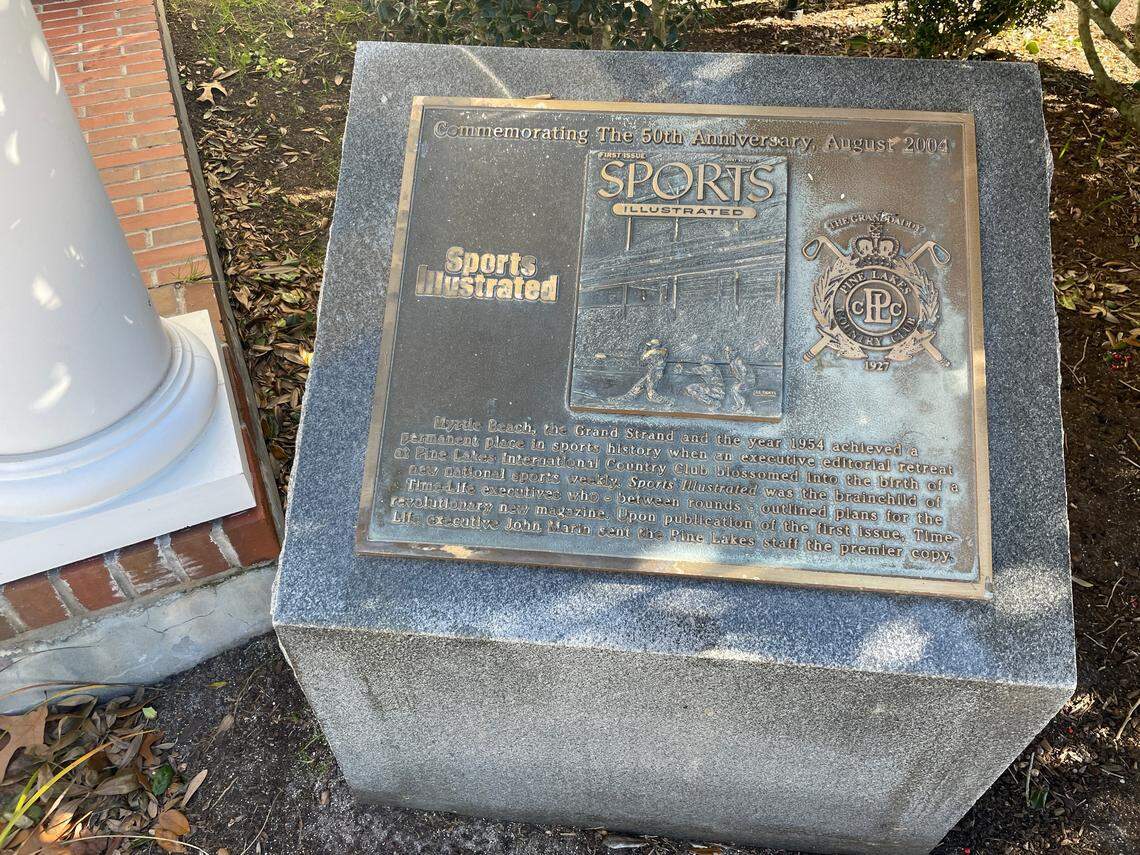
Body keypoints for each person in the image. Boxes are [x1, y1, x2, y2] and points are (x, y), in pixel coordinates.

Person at [611, 338, 672, 405]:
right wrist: (647, 352)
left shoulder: (657, 352)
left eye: (651, 345)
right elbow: (644, 362)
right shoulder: (656, 353)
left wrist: (647, 351)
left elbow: (646, 359)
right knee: (638, 387)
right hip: (652, 373)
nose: (650, 346)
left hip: (655, 373)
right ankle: (625, 398)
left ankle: (667, 402)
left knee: (650, 392)